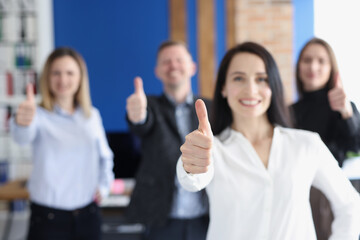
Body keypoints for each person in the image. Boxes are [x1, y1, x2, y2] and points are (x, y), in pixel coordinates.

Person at [176, 42, 360, 240]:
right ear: (223, 88)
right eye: (238, 78)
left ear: (273, 86)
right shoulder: (213, 150)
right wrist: (191, 165)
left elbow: (349, 204)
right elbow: (192, 180)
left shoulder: (306, 144)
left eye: (261, 79)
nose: (251, 89)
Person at [10, 47, 114, 240]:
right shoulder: (37, 115)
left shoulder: (92, 116)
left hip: (88, 216)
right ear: (47, 78)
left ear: (80, 78)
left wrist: (104, 185)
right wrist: (21, 122)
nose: (63, 80)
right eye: (56, 73)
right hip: (48, 219)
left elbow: (105, 158)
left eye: (69, 73)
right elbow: (22, 138)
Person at [125, 40, 210, 240]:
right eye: (166, 61)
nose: (173, 66)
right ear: (157, 71)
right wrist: (138, 115)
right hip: (160, 219)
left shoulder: (209, 109)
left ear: (192, 67)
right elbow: (141, 122)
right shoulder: (150, 106)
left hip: (205, 218)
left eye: (179, 60)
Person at [291, 37, 360, 240]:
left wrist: (346, 114)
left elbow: (355, 145)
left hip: (334, 196)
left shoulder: (344, 108)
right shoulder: (289, 112)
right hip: (299, 195)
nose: (313, 66)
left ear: (332, 68)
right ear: (298, 67)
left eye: (321, 61)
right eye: (307, 60)